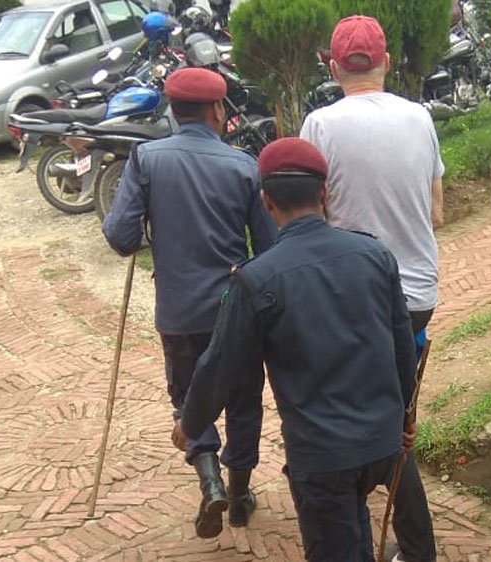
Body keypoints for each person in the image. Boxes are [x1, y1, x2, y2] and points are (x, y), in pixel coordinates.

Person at [175, 137, 419, 562]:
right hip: (382, 442)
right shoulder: (375, 255)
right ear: (325, 193)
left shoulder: (255, 279)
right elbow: (402, 346)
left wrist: (191, 424)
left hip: (322, 456)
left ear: (266, 201)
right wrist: (405, 416)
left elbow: (220, 367)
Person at [102, 67, 276, 538]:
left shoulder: (146, 159)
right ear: (218, 110)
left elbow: (120, 237)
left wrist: (147, 223)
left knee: (187, 396)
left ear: (174, 113)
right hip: (235, 310)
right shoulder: (243, 165)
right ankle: (239, 496)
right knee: (243, 401)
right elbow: (268, 247)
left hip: (178, 311)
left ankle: (210, 480)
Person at [299, 15, 442, 562]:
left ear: (334, 69)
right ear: (386, 63)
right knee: (394, 413)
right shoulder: (420, 117)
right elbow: (437, 211)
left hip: (350, 296)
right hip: (417, 295)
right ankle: (416, 546)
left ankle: (358, 533)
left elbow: (311, 215)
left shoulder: (320, 125)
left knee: (357, 418)